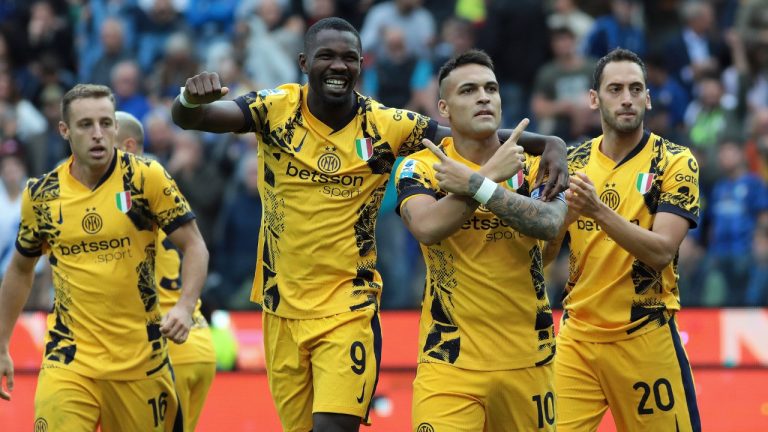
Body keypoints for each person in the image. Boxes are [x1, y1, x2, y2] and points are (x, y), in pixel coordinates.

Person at [171, 17, 567, 431]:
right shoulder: (274, 109)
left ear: (362, 64)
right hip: (281, 305)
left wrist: (549, 144)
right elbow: (192, 119)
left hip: (349, 304)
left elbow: (468, 131)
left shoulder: (387, 125)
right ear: (304, 62)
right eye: (326, 56)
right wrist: (189, 99)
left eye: (348, 58)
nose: (338, 66)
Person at [0, 84, 209, 431]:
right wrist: (2, 340)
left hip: (140, 362)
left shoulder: (145, 179)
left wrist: (186, 306)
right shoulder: (42, 195)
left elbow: (195, 245)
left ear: (115, 126)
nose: (98, 134)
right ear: (64, 131)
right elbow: (21, 269)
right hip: (69, 358)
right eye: (85, 125)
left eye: (105, 123)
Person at [394, 49, 567, 431]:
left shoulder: (535, 164)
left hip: (529, 360)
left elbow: (551, 223)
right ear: (444, 107)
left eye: (491, 88)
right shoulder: (422, 166)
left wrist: (478, 183)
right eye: (469, 90)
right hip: (449, 363)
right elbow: (425, 226)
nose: (484, 97)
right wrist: (490, 176)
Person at [543, 48, 701, 431]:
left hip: (645, 335)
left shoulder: (675, 161)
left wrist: (597, 211)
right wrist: (560, 219)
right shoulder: (574, 163)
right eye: (615, 89)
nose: (626, 98)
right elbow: (543, 256)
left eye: (635, 89)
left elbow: (662, 251)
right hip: (578, 337)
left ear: (648, 97)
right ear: (594, 99)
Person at [116, 110, 217, 431]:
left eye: (107, 136)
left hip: (166, 343)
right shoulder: (169, 197)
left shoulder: (129, 196)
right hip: (198, 341)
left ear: (129, 146)